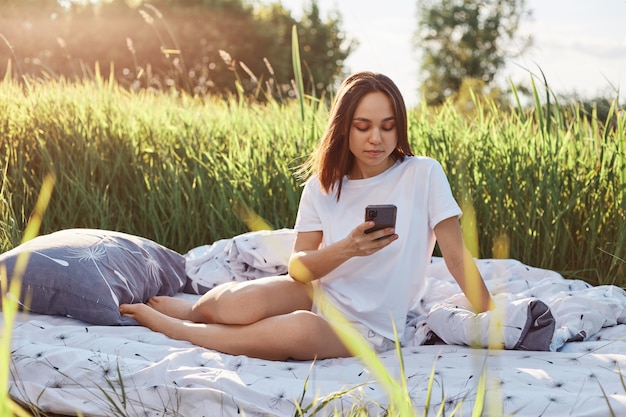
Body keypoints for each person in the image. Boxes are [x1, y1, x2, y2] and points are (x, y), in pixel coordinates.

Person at [120, 71, 493, 361]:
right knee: (233, 303)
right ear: (344, 127)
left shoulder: (424, 174)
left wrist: (496, 320)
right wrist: (348, 248)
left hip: (371, 327)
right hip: (317, 291)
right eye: (363, 127)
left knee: (296, 331)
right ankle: (197, 312)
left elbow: (457, 258)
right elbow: (298, 268)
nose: (376, 138)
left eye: (388, 125)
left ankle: (181, 329)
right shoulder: (323, 186)